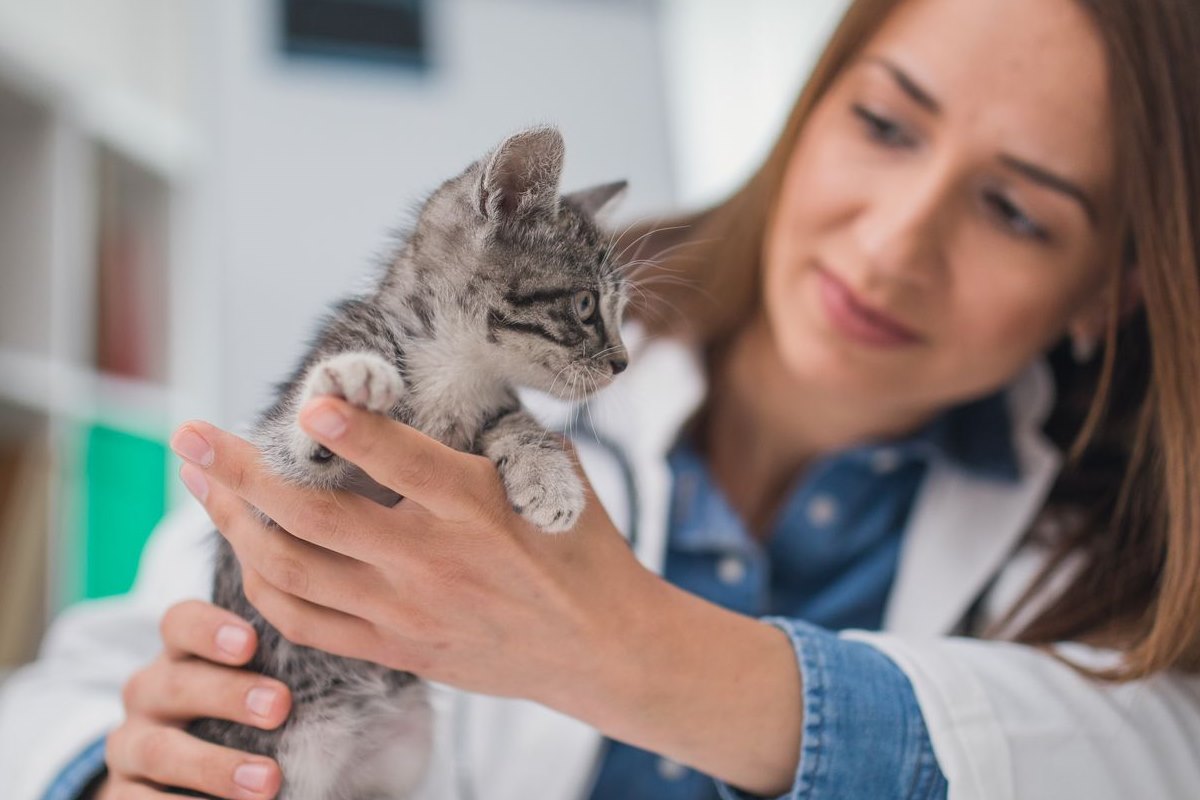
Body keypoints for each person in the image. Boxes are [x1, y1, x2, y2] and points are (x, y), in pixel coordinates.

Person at [4, 0, 1200, 797]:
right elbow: (70, 692)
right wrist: (117, 772)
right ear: (810, 109)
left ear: (1116, 286)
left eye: (1017, 210)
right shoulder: (476, 340)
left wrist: (641, 656)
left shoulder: (1124, 553)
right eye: (886, 125)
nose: (895, 245)